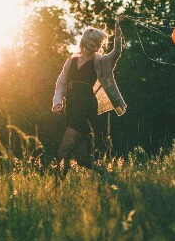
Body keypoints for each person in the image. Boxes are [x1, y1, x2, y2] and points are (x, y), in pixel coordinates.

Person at [52, 15, 127, 181]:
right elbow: (62, 82)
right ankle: (110, 177)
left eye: (99, 42)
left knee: (62, 151)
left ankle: (56, 187)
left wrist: (117, 28)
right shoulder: (71, 61)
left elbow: (117, 52)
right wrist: (57, 102)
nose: (97, 45)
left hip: (85, 105)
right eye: (94, 41)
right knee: (82, 159)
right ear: (85, 41)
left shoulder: (99, 61)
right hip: (71, 105)